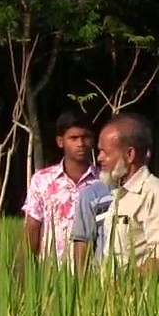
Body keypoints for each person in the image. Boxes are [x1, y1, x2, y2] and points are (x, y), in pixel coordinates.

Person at [72, 113, 159, 274]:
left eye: (105, 152)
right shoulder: (120, 195)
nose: (99, 158)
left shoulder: (154, 194)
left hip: (135, 297)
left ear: (129, 154)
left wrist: (124, 286)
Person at [22, 110, 99, 267]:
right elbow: (32, 229)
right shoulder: (42, 180)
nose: (80, 144)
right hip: (52, 271)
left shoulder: (104, 182)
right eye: (73, 138)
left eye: (85, 137)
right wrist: (24, 278)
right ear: (60, 141)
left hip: (93, 273)